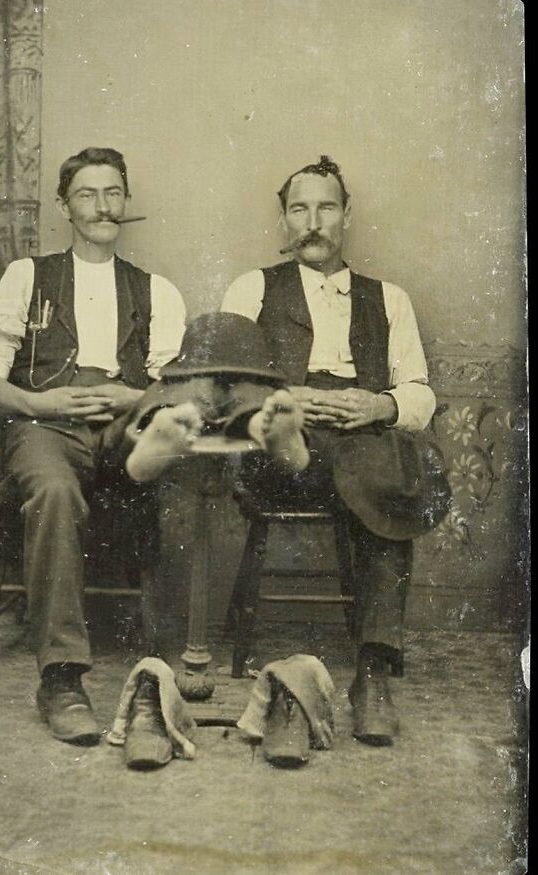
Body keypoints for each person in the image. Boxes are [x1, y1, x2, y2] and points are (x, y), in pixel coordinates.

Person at [217, 155, 450, 747]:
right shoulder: (252, 288)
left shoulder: (388, 298)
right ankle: (372, 673)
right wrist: (286, 395)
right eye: (299, 209)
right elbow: (224, 382)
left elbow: (419, 393)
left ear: (346, 216)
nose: (312, 222)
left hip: (358, 438)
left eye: (325, 208)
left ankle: (372, 675)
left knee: (381, 456)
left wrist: (378, 406)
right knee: (386, 472)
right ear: (284, 221)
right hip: (283, 455)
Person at [0, 147, 186, 745]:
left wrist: (130, 398)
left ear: (126, 204)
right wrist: (45, 403)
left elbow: (168, 380)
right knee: (53, 490)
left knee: (165, 416)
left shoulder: (156, 290)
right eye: (88, 194)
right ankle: (62, 680)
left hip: (124, 418)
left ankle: (149, 453)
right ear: (65, 206)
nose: (102, 205)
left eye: (113, 193)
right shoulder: (28, 275)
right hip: (45, 422)